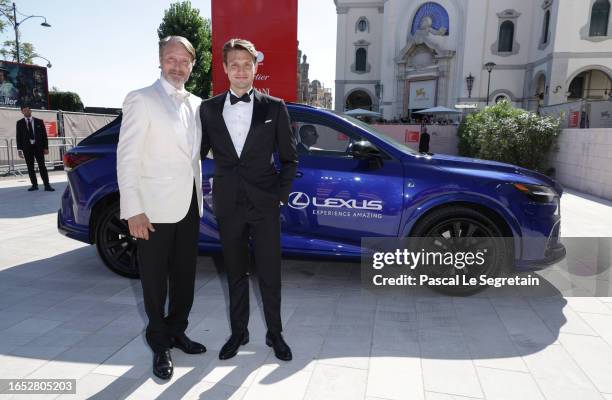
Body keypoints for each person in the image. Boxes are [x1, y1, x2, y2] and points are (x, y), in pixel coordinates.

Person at [199, 38, 298, 362]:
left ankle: (276, 332)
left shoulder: (275, 107)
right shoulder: (209, 109)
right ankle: (238, 332)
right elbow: (195, 155)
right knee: (236, 272)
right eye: (234, 64)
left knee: (270, 272)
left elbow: (290, 159)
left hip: (265, 203)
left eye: (247, 64)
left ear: (256, 67)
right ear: (225, 68)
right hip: (229, 204)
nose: (241, 70)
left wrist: (280, 198)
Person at [117, 36, 206, 381]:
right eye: (172, 59)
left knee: (185, 278)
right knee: (155, 282)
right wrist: (133, 209)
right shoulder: (141, 99)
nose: (178, 66)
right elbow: (127, 158)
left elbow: (196, 153)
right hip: (152, 210)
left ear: (192, 65)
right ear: (159, 60)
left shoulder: (197, 103)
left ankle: (177, 330)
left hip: (188, 206)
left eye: (185, 61)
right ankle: (159, 342)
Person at [16, 105, 54, 191]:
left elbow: (44, 136)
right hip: (27, 148)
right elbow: (18, 137)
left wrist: (46, 147)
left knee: (42, 166)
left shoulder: (39, 121)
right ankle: (34, 185)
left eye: (28, 110)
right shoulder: (19, 123)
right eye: (24, 111)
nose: (27, 112)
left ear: (31, 111)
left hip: (38, 147)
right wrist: (19, 149)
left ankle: (47, 185)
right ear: (22, 112)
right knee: (30, 167)